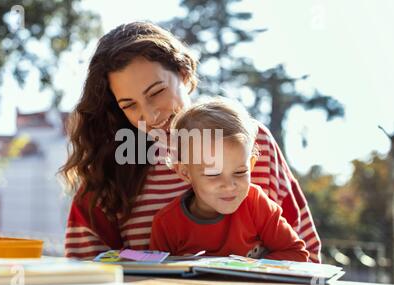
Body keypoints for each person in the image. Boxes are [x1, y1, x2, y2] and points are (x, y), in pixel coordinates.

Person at [60, 21, 321, 263]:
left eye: (157, 92)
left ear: (183, 74)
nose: (150, 116)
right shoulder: (113, 162)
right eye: (129, 105)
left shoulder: (250, 138)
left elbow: (304, 252)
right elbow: (84, 267)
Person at [149, 99, 309, 262]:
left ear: (252, 164)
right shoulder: (167, 223)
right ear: (185, 172)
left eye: (240, 172)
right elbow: (154, 274)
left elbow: (297, 254)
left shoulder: (256, 204)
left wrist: (245, 269)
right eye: (213, 174)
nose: (229, 185)